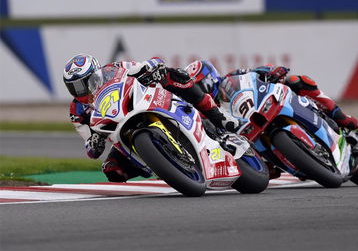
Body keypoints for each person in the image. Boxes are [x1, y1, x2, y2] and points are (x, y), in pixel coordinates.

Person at [63, 54, 238, 182]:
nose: (82, 90)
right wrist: (94, 142)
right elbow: (91, 148)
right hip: (121, 133)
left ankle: (216, 114)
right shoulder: (76, 111)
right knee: (112, 170)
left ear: (97, 74)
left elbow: (140, 67)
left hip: (143, 102)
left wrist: (151, 68)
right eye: (75, 87)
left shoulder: (115, 68)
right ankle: (162, 165)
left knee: (174, 75)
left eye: (85, 83)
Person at [184, 61, 358, 131]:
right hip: (248, 132)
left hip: (267, 103)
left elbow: (257, 71)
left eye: (202, 85)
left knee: (295, 80)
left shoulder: (231, 77)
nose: (202, 90)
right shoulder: (206, 111)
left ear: (211, 77)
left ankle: (341, 117)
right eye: (197, 88)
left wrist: (272, 71)